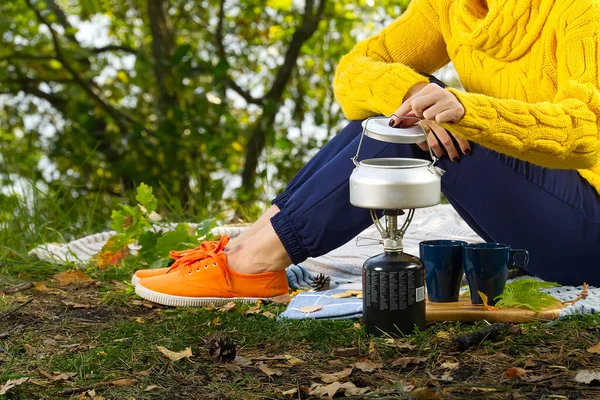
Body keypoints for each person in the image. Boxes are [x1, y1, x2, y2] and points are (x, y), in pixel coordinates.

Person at [133, 0, 600, 306]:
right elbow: (354, 70)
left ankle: (254, 264)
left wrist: (467, 112)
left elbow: (585, 130)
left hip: (588, 232)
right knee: (396, 113)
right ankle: (245, 248)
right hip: (539, 218)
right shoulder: (451, 7)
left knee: (415, 126)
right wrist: (414, 88)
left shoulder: (581, 10)